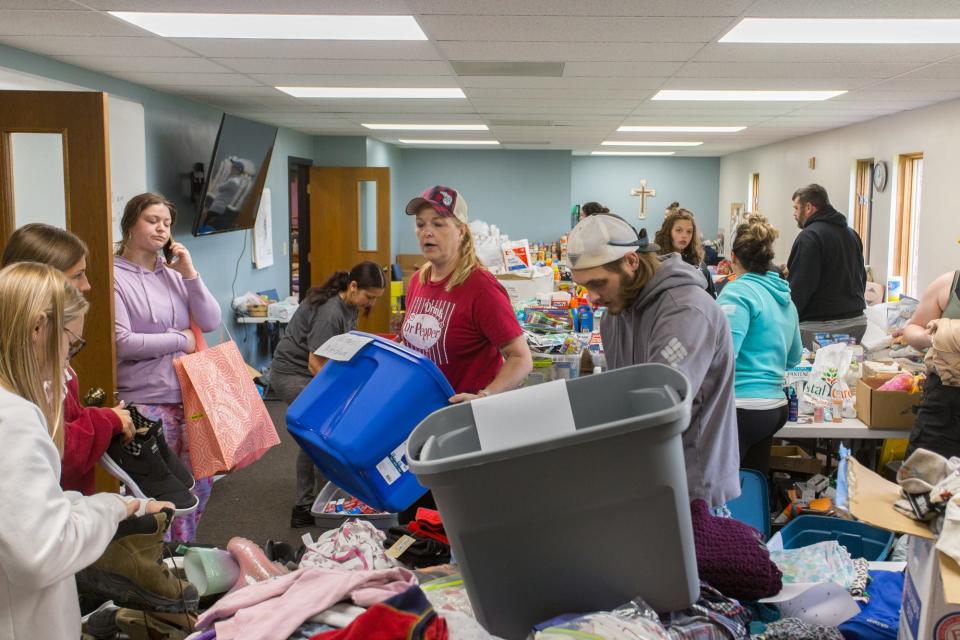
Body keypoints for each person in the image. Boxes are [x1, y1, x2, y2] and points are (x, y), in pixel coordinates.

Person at [0, 262, 172, 639]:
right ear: (36, 329)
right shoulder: (12, 420)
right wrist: (111, 508)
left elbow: (23, 513)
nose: (68, 359)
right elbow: (40, 553)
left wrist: (129, 507)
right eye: (70, 343)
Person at [567, 214, 740, 507]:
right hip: (649, 480)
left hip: (692, 487)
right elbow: (622, 395)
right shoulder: (615, 315)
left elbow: (658, 411)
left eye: (598, 283)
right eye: (584, 287)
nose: (592, 297)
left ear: (631, 262)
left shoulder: (685, 311)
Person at [114, 192, 221, 542]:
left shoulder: (173, 274)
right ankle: (158, 562)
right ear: (130, 225)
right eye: (151, 220)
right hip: (145, 403)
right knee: (155, 495)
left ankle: (184, 554)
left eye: (166, 223)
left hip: (190, 398)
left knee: (198, 489)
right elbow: (122, 342)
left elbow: (210, 320)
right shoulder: (113, 276)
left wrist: (190, 274)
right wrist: (180, 340)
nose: (161, 228)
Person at [1, 223, 135, 495]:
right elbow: (57, 450)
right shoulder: (25, 375)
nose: (86, 285)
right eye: (78, 275)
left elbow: (67, 419)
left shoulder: (47, 357)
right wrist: (106, 420)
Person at [270, 262, 386, 528]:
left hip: (311, 370)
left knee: (321, 433)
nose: (371, 303)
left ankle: (326, 499)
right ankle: (304, 506)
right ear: (353, 286)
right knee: (317, 434)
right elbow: (314, 363)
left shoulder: (350, 305)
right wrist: (342, 395)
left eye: (376, 298)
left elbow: (342, 347)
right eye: (370, 297)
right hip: (293, 374)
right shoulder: (331, 312)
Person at [402, 185, 532, 401]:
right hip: (419, 408)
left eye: (438, 223)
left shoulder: (481, 287)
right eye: (420, 224)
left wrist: (484, 397)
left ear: (461, 231)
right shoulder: (418, 281)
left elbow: (521, 358)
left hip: (461, 417)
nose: (427, 231)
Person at [716, 215, 803, 476]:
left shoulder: (736, 292)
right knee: (754, 483)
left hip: (743, 404)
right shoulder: (784, 296)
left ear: (733, 257)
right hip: (774, 407)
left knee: (720, 488)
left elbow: (723, 354)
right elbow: (794, 358)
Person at [787, 184, 867, 349]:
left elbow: (800, 288)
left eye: (796, 208)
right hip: (856, 323)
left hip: (818, 327)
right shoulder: (852, 234)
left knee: (815, 373)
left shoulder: (809, 237)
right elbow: (861, 278)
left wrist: (786, 323)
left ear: (808, 207)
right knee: (842, 373)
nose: (794, 214)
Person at [904, 270, 960, 458]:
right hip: (944, 406)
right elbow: (913, 327)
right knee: (924, 479)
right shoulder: (948, 284)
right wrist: (933, 337)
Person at [655, 207, 717, 298]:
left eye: (689, 231)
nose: (684, 236)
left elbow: (712, 301)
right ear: (668, 232)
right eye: (678, 230)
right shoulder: (656, 263)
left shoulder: (699, 266)